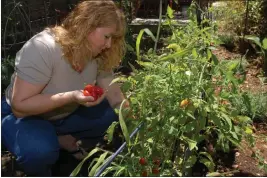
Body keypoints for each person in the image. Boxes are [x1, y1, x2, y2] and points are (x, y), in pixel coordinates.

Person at [1, 0, 127, 176]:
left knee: (111, 116)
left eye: (113, 39)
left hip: (64, 113)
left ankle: (57, 137)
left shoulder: (98, 53)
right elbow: (20, 107)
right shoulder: (44, 48)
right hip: (25, 116)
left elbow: (114, 94)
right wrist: (72, 96)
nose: (108, 45)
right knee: (39, 151)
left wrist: (132, 118)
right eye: (107, 36)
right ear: (88, 25)